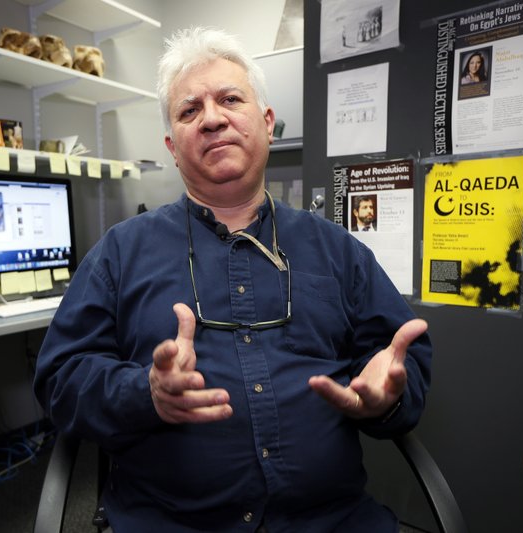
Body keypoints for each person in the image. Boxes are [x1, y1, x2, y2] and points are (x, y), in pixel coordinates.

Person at [34, 26, 432, 532]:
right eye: (189, 110)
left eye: (229, 99)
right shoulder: (119, 252)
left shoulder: (337, 251)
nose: (213, 119)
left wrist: (388, 397)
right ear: (172, 147)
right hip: (171, 523)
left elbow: (402, 357)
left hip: (328, 522)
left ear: (267, 123)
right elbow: (60, 377)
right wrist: (145, 391)